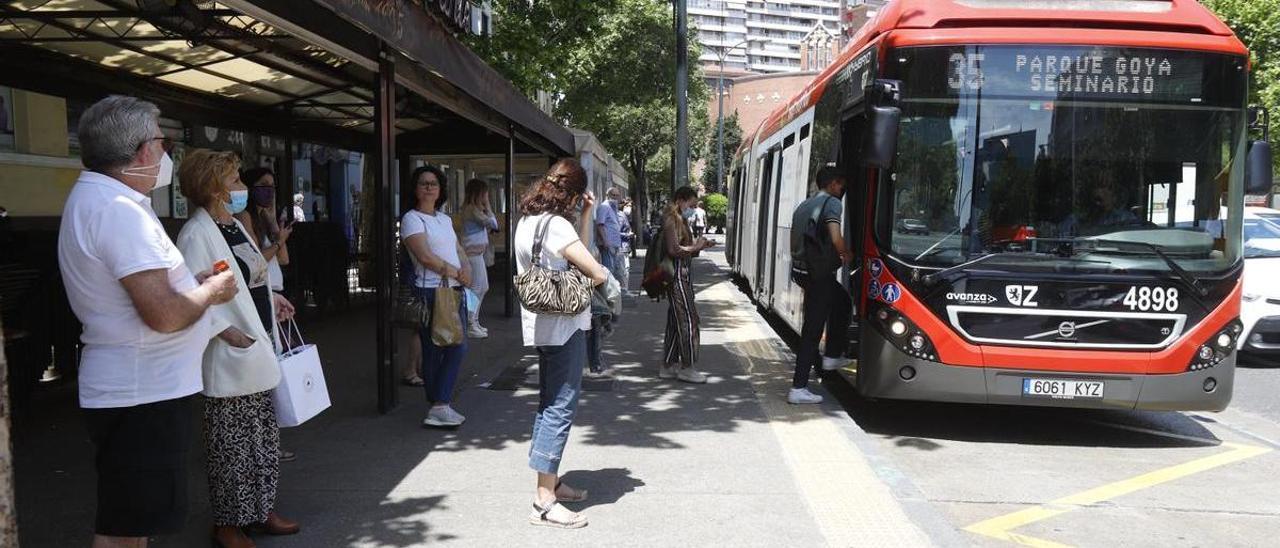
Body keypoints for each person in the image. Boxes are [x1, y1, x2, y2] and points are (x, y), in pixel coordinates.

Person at [56, 96, 239, 548]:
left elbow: (152, 297)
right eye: (163, 142)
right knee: (123, 532)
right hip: (141, 394)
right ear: (142, 151)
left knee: (132, 525)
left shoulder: (107, 201)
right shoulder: (119, 212)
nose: (167, 154)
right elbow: (165, 315)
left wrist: (190, 285)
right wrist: (211, 291)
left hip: (139, 390)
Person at [175, 149, 301, 548]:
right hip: (233, 350)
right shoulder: (196, 233)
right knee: (231, 447)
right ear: (213, 188)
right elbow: (195, 292)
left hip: (258, 341)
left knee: (263, 440)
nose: (242, 188)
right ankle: (228, 524)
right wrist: (230, 335)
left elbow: (253, 275)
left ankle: (261, 510)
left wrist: (273, 299)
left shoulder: (234, 224)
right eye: (234, 181)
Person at [515, 159, 609, 529]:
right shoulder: (555, 225)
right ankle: (544, 500)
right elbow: (595, 269)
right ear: (570, 193)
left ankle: (550, 482)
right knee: (560, 407)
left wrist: (585, 216)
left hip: (542, 325)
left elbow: (573, 252)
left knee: (548, 403)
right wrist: (602, 278)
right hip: (565, 327)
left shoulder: (527, 222)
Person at [401, 165, 473, 428]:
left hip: (453, 289)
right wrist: (456, 271)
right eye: (424, 183)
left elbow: (457, 248)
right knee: (445, 347)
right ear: (415, 189)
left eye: (434, 183)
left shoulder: (443, 219)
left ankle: (438, 403)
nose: (429, 187)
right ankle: (440, 404)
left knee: (450, 345)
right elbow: (424, 257)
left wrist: (465, 270)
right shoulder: (411, 219)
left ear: (441, 189)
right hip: (430, 290)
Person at [787, 167, 852, 405]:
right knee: (813, 330)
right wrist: (846, 253)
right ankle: (799, 387)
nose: (842, 190)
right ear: (833, 184)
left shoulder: (804, 205)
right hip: (819, 274)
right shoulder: (832, 203)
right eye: (841, 185)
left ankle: (832, 356)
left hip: (803, 270)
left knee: (842, 302)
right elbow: (835, 236)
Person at [661, 186, 716, 383]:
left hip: (681, 276)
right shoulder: (672, 218)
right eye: (691, 204)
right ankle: (687, 366)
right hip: (677, 277)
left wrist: (699, 246)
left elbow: (681, 248)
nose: (692, 208)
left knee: (677, 322)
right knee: (689, 321)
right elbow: (674, 249)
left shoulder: (678, 218)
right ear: (681, 200)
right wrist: (696, 246)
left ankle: (669, 365)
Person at [237, 168, 293, 294]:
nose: (269, 191)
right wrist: (279, 241)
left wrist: (273, 223)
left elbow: (284, 259)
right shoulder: (244, 215)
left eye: (272, 186)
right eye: (263, 185)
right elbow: (257, 259)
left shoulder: (265, 217)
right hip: (263, 290)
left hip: (275, 290)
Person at [460, 178, 500, 338]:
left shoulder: (474, 209)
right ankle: (470, 323)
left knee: (481, 287)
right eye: (485, 193)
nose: (486, 196)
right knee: (477, 288)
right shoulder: (471, 210)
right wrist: (488, 205)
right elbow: (493, 224)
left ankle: (473, 321)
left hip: (477, 255)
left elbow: (493, 224)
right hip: (472, 255)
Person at [595, 187, 624, 284]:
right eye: (613, 195)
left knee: (614, 270)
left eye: (617, 195)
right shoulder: (604, 207)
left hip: (614, 243)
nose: (616, 198)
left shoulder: (613, 208)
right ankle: (608, 295)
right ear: (608, 196)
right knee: (608, 270)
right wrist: (605, 241)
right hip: (608, 244)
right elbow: (600, 225)